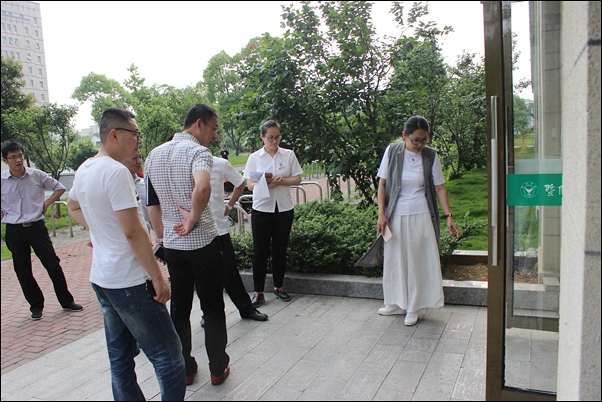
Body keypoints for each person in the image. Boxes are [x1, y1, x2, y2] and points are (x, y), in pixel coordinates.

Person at [67, 107, 186, 401]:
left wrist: (99, 230)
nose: (139, 141)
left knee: (120, 359)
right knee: (169, 357)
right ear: (114, 135)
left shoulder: (85, 168)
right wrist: (158, 279)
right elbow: (134, 232)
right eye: (135, 134)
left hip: (103, 280)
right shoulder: (116, 171)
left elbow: (73, 207)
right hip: (130, 282)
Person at [145, 103, 230, 387]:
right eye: (213, 128)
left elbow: (152, 205)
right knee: (212, 306)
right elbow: (203, 186)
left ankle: (186, 368)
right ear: (198, 124)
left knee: (180, 307)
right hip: (203, 242)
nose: (214, 135)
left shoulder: (154, 154)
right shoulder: (198, 152)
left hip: (173, 246)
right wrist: (192, 218)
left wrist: (162, 238)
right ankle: (218, 367)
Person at [358, 116, 459, 326]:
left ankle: (414, 306)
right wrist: (381, 214)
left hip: (421, 214)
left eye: (424, 140)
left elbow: (440, 187)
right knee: (394, 260)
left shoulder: (431, 155)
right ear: (405, 135)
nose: (419, 144)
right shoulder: (392, 151)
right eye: (415, 140)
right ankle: (396, 302)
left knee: (417, 261)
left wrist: (449, 216)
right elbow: (382, 184)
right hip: (395, 215)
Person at [1, 141, 83, 321]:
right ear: (5, 160)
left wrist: (46, 203)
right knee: (22, 270)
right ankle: (36, 305)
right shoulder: (2, 181)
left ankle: (66, 301)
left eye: (20, 155)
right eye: (13, 157)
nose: (18, 160)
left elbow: (59, 188)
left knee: (52, 264)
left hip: (36, 227)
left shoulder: (36, 175)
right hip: (14, 230)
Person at [199, 156, 269, 327]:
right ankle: (207, 313)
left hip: (219, 228)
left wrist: (230, 206)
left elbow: (240, 182)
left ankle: (246, 309)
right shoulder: (183, 164)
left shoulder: (219, 163)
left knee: (230, 272)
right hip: (196, 232)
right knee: (203, 276)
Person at [243, 120, 302, 307]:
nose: (274, 141)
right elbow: (250, 185)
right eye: (270, 138)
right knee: (260, 251)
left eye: (277, 137)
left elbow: (297, 179)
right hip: (262, 208)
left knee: (280, 250)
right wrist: (266, 183)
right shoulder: (255, 158)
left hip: (284, 208)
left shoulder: (288, 155)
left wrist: (281, 181)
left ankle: (278, 286)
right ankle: (258, 291)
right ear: (262, 137)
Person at [122, 149, 151, 231]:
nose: (139, 161)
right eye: (134, 158)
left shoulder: (144, 184)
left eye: (140, 157)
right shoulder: (119, 187)